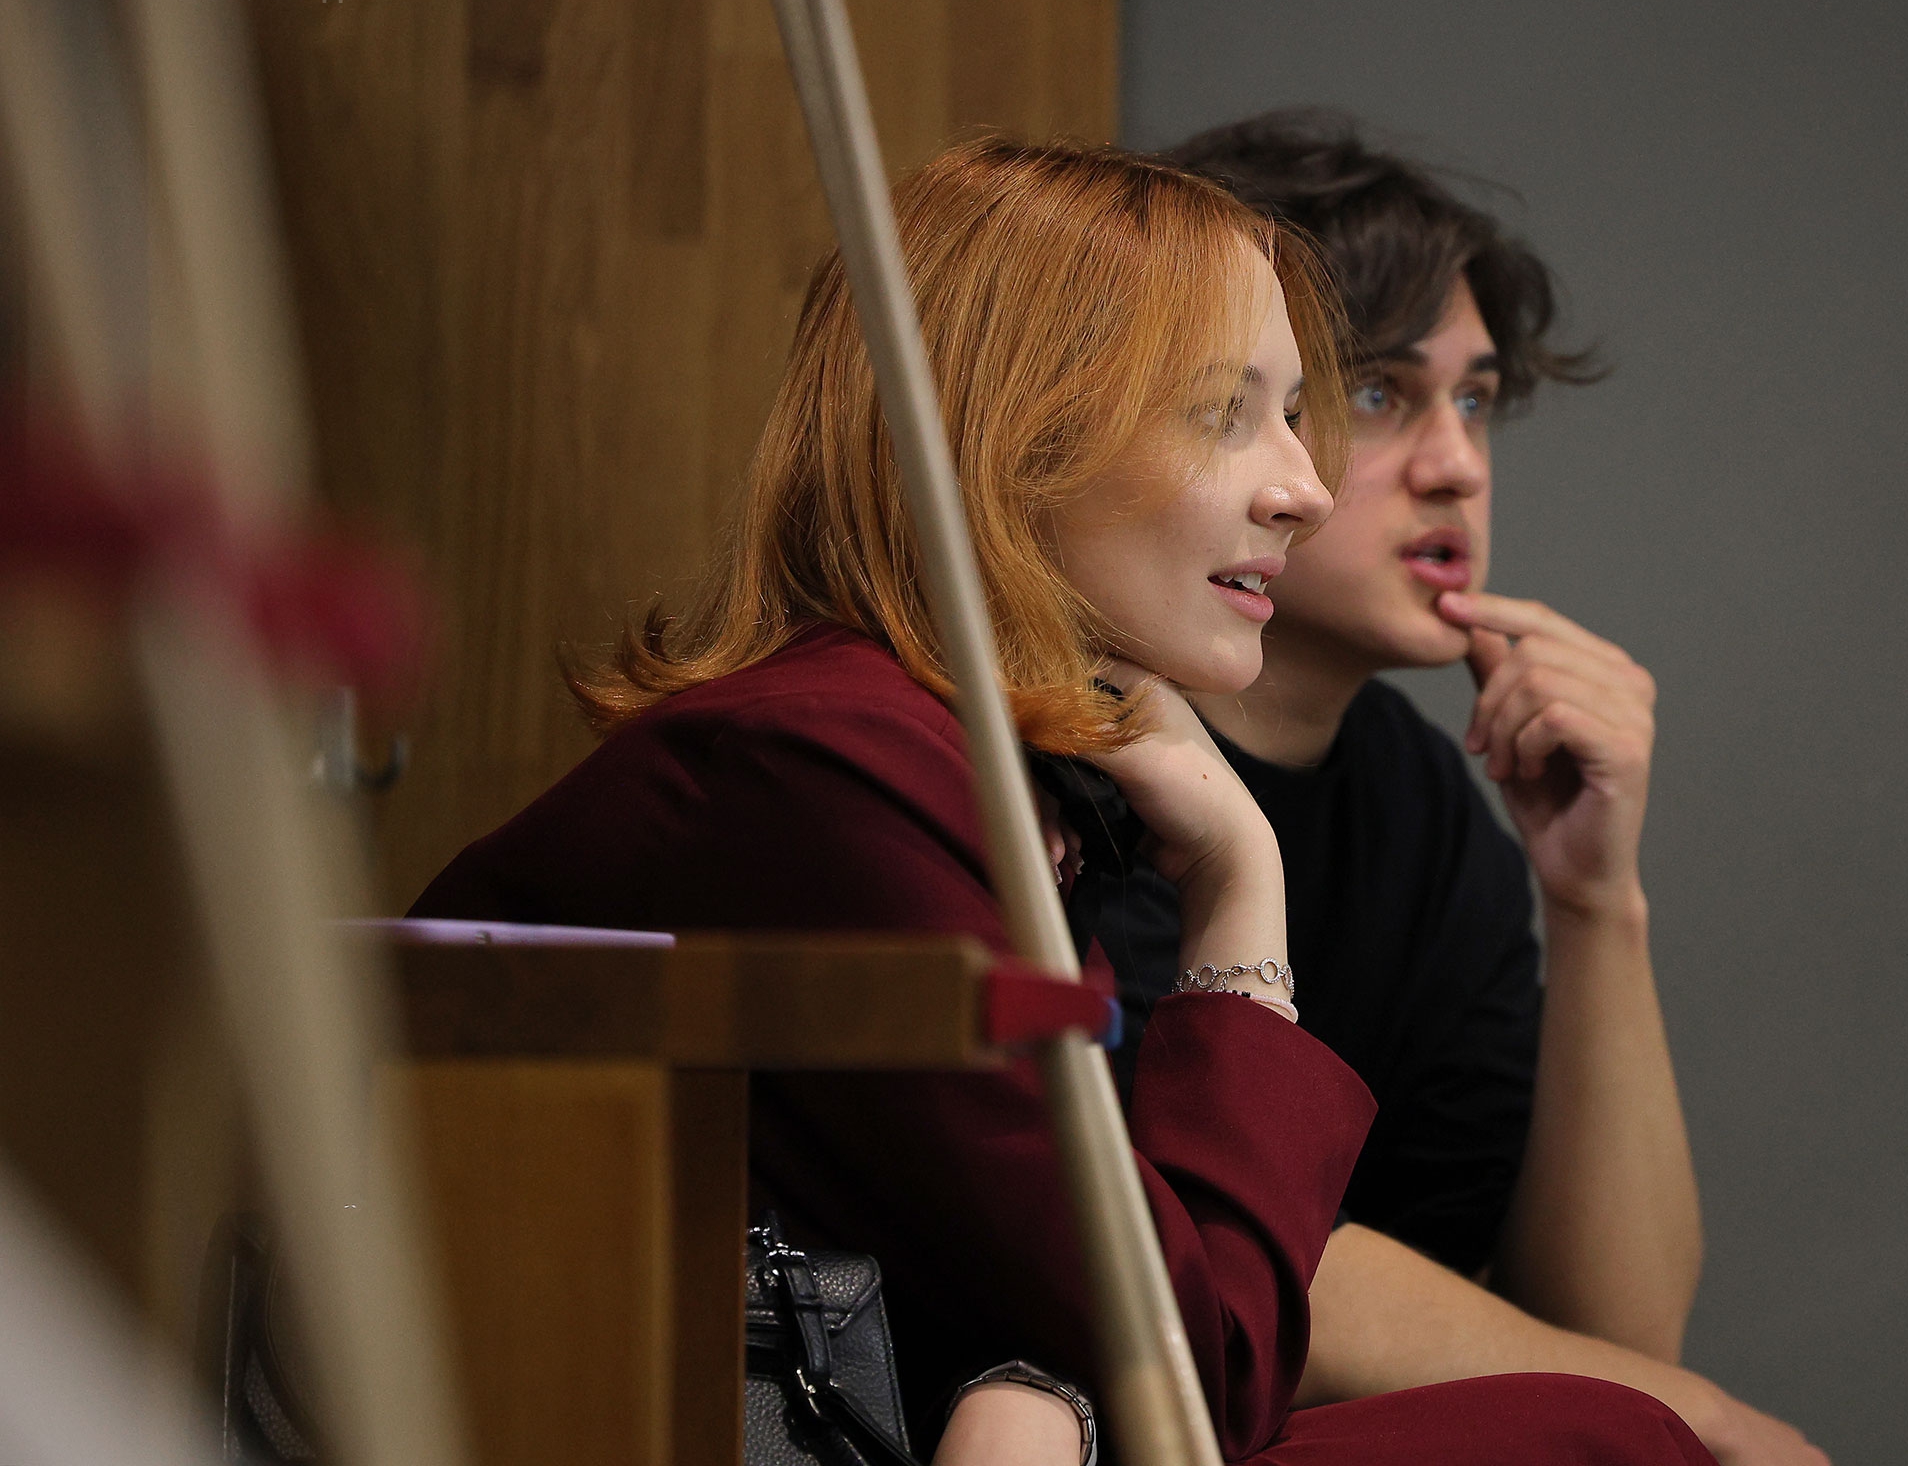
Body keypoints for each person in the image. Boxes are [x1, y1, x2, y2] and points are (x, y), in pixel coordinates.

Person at [410, 137, 1714, 1466]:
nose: (1304, 489)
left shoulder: (963, 757)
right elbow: (1198, 1367)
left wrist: (1045, 1390)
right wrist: (1242, 883)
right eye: (1228, 414)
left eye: (1299, 413)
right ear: (1018, 445)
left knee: (1597, 1429)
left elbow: (1098, 1327)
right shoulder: (830, 764)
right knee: (1602, 1443)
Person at [1069, 111, 1829, 1466]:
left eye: (1474, 401)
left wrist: (1595, 903)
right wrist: (1696, 1421)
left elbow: (1614, 1330)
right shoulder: (1077, 751)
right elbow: (1190, 1235)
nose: (1458, 464)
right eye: (1377, 394)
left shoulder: (1418, 799)